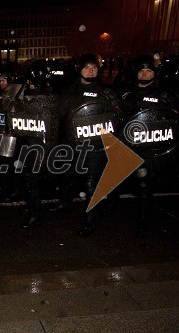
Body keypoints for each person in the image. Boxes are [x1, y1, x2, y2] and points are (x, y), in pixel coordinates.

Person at [50, 53, 124, 237]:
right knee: (67, 175)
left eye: (94, 68)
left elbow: (118, 118)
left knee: (91, 182)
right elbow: (59, 116)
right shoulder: (68, 91)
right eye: (87, 67)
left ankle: (90, 220)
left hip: (96, 144)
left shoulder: (106, 92)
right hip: (73, 142)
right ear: (79, 70)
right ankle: (65, 203)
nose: (91, 71)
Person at [121, 54, 178, 237]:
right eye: (142, 71)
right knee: (130, 183)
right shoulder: (127, 95)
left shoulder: (165, 95)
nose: (145, 75)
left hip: (154, 147)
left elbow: (173, 120)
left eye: (149, 71)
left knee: (145, 184)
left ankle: (143, 220)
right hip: (132, 146)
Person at [9, 59, 59, 229]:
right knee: (27, 178)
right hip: (27, 142)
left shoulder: (49, 97)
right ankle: (31, 207)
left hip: (40, 144)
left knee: (32, 181)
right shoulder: (32, 94)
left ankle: (35, 213)